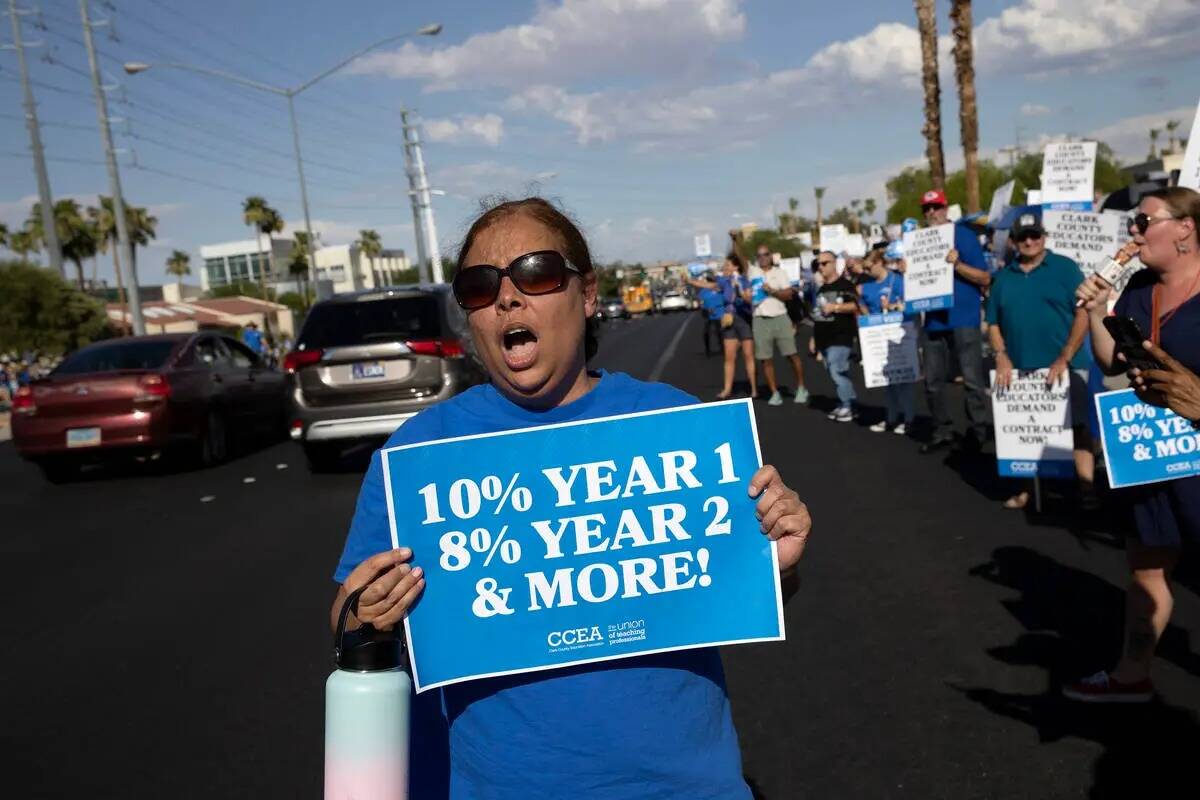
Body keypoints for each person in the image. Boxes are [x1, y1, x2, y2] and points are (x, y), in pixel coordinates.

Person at [329, 197, 813, 796]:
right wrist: (364, 614)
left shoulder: (673, 424)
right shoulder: (418, 455)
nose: (507, 297)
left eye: (535, 272)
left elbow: (752, 592)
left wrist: (778, 563)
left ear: (586, 295)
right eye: (480, 286)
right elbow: (351, 619)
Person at [1068, 186, 1200, 703]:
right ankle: (1132, 672)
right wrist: (1101, 307)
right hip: (1150, 448)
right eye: (1133, 223)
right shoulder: (1142, 289)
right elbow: (1110, 362)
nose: (1134, 232)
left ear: (1186, 228)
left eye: (1146, 222)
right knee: (1146, 565)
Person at [986, 210, 1096, 510]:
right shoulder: (1003, 278)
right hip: (1021, 369)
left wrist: (1065, 355)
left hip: (1066, 365)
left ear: (1044, 237)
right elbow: (993, 322)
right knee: (1025, 431)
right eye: (1023, 237)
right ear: (1013, 242)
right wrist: (1001, 355)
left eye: (1035, 235)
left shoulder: (1065, 268)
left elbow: (1083, 313)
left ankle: (1086, 486)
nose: (1030, 241)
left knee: (1077, 426)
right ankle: (1027, 489)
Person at [917, 189, 993, 454]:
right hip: (933, 321)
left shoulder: (964, 236)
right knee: (932, 382)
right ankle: (942, 430)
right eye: (926, 209)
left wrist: (957, 264)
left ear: (946, 208)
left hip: (964, 318)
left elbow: (984, 278)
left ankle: (979, 431)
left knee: (972, 380)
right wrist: (908, 271)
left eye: (935, 207)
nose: (931, 213)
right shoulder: (919, 241)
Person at [859, 248, 915, 434]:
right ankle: (891, 417)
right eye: (865, 269)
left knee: (903, 379)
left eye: (869, 267)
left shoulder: (897, 281)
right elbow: (861, 305)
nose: (867, 272)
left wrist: (893, 306)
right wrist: (868, 320)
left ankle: (908, 418)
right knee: (887, 381)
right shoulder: (868, 286)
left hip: (899, 333)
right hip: (879, 336)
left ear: (879, 262)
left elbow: (910, 303)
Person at [746, 246, 809, 406]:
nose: (763, 257)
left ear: (771, 256)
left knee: (791, 354)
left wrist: (772, 291)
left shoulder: (780, 273)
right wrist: (734, 240)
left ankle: (801, 387)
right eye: (759, 255)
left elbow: (788, 295)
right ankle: (774, 392)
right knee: (765, 359)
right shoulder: (753, 272)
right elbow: (740, 257)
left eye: (766, 254)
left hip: (780, 317)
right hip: (760, 318)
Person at [688, 258, 757, 399]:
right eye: (724, 266)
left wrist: (741, 292)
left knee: (748, 355)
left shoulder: (744, 281)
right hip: (728, 321)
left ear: (736, 267)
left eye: (728, 265)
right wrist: (690, 281)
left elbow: (749, 300)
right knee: (729, 357)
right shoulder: (723, 282)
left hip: (743, 320)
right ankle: (727, 389)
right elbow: (707, 285)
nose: (725, 268)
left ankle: (754, 388)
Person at [809, 251, 859, 422]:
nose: (821, 267)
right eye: (818, 264)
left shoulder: (845, 285)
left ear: (834, 263)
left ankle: (848, 406)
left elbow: (855, 305)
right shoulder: (821, 289)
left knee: (837, 371)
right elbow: (818, 315)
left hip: (841, 335)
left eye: (824, 263)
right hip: (824, 337)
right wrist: (813, 338)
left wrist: (836, 308)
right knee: (834, 372)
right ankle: (848, 402)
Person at [697, 276, 725, 357]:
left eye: (712, 282)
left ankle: (723, 348)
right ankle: (707, 349)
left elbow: (726, 298)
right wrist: (705, 308)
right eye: (709, 282)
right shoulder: (703, 291)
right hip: (708, 315)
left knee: (720, 332)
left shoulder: (720, 289)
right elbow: (700, 302)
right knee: (706, 332)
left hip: (720, 314)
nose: (711, 284)